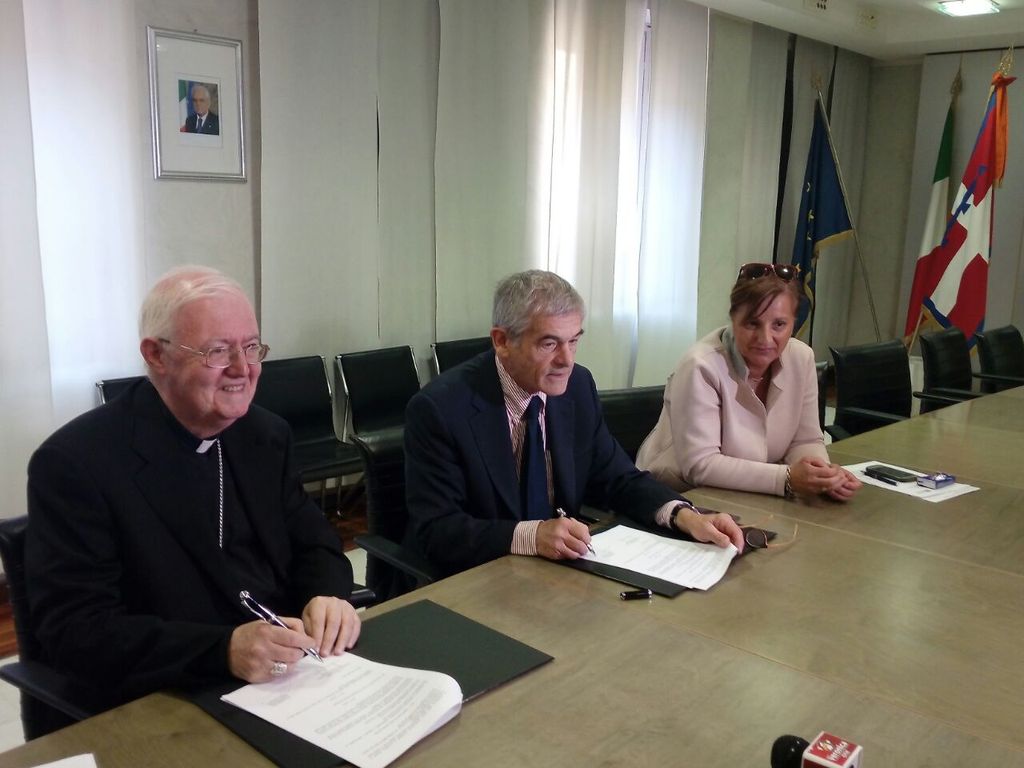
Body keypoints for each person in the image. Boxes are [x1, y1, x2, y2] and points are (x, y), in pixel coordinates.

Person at [26, 266, 360, 710]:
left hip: (292, 677)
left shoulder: (264, 435)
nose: (242, 369)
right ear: (156, 355)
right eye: (217, 351)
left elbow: (315, 543)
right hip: (170, 693)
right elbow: (77, 631)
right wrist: (223, 651)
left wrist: (326, 595)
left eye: (251, 347)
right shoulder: (77, 463)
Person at [404, 269, 744, 578]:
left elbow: (618, 478)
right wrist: (532, 536)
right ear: (502, 341)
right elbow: (438, 530)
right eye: (549, 343)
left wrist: (684, 516)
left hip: (556, 576)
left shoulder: (577, 387)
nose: (566, 360)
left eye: (574, 341)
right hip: (476, 580)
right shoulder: (440, 409)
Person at [636, 262, 861, 500]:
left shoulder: (801, 358)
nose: (765, 339)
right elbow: (700, 465)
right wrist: (786, 478)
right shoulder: (700, 365)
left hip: (751, 494)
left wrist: (821, 476)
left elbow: (805, 440)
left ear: (793, 322)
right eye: (753, 323)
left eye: (779, 324)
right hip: (675, 495)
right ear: (733, 319)